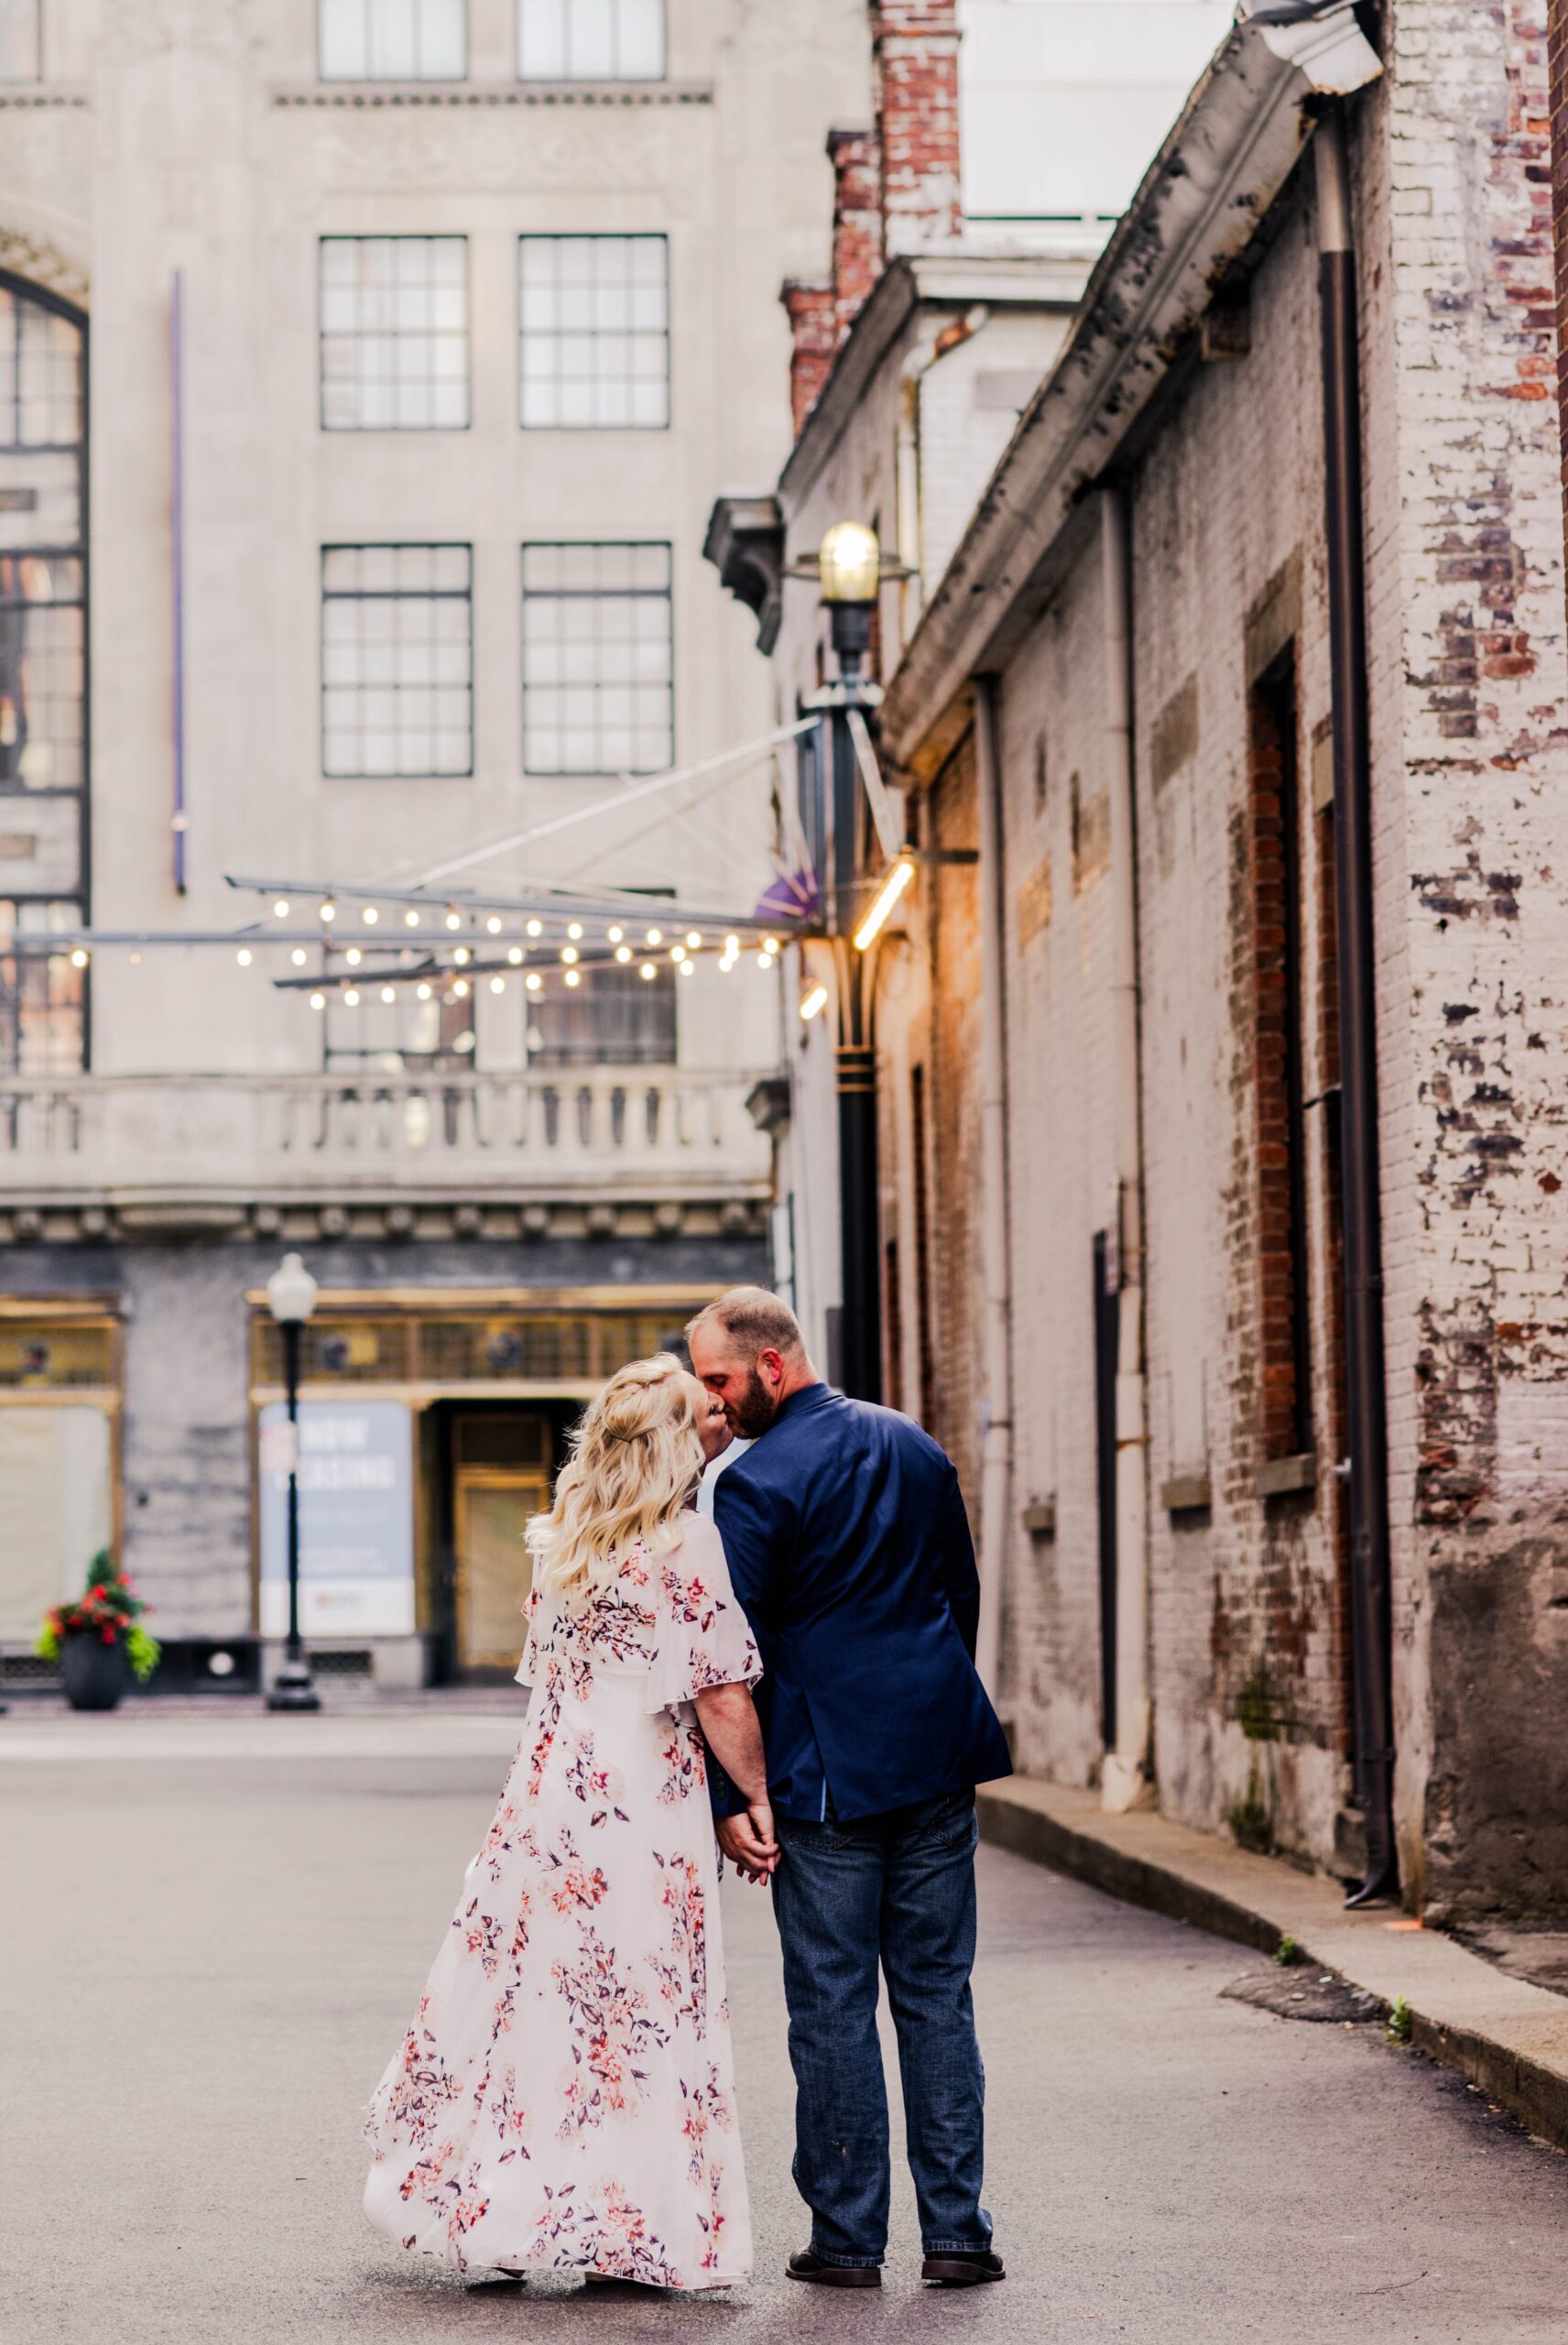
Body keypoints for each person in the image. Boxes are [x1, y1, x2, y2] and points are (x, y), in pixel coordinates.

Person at [364, 1357, 769, 2294]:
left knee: (537, 2003)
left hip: (551, 1797)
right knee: (631, 2011)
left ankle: (501, 2211)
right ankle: (624, 2227)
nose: (716, 1419)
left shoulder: (561, 1542)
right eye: (700, 1414)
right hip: (641, 1807)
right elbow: (720, 1693)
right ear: (672, 1444)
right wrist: (754, 1796)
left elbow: (550, 1691)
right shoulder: (685, 1543)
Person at [687, 1287, 1012, 2293]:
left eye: (719, 1380)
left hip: (824, 1776)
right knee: (935, 1994)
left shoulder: (749, 1482)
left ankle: (847, 2238)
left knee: (830, 2002)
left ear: (771, 1365)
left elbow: (728, 1656)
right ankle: (957, 2232)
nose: (715, 1403)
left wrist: (729, 1800)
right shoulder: (912, 1442)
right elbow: (954, 1592)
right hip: (934, 1749)